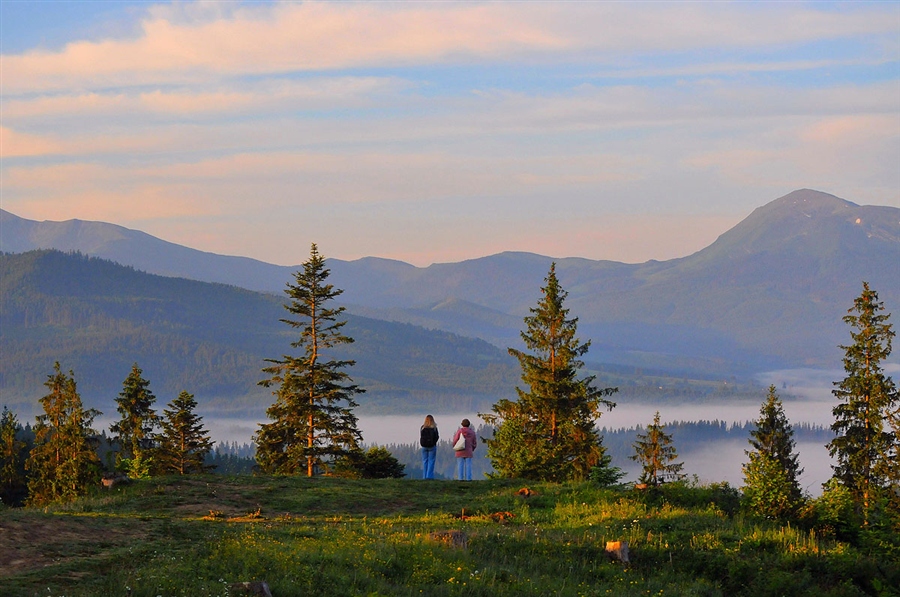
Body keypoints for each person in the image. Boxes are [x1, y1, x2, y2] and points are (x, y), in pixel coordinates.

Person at [419, 415, 439, 479]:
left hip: (424, 446)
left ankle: (424, 476)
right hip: (432, 446)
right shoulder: (434, 428)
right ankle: (429, 476)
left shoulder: (422, 428)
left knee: (425, 461)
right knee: (431, 461)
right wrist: (434, 442)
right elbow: (437, 437)